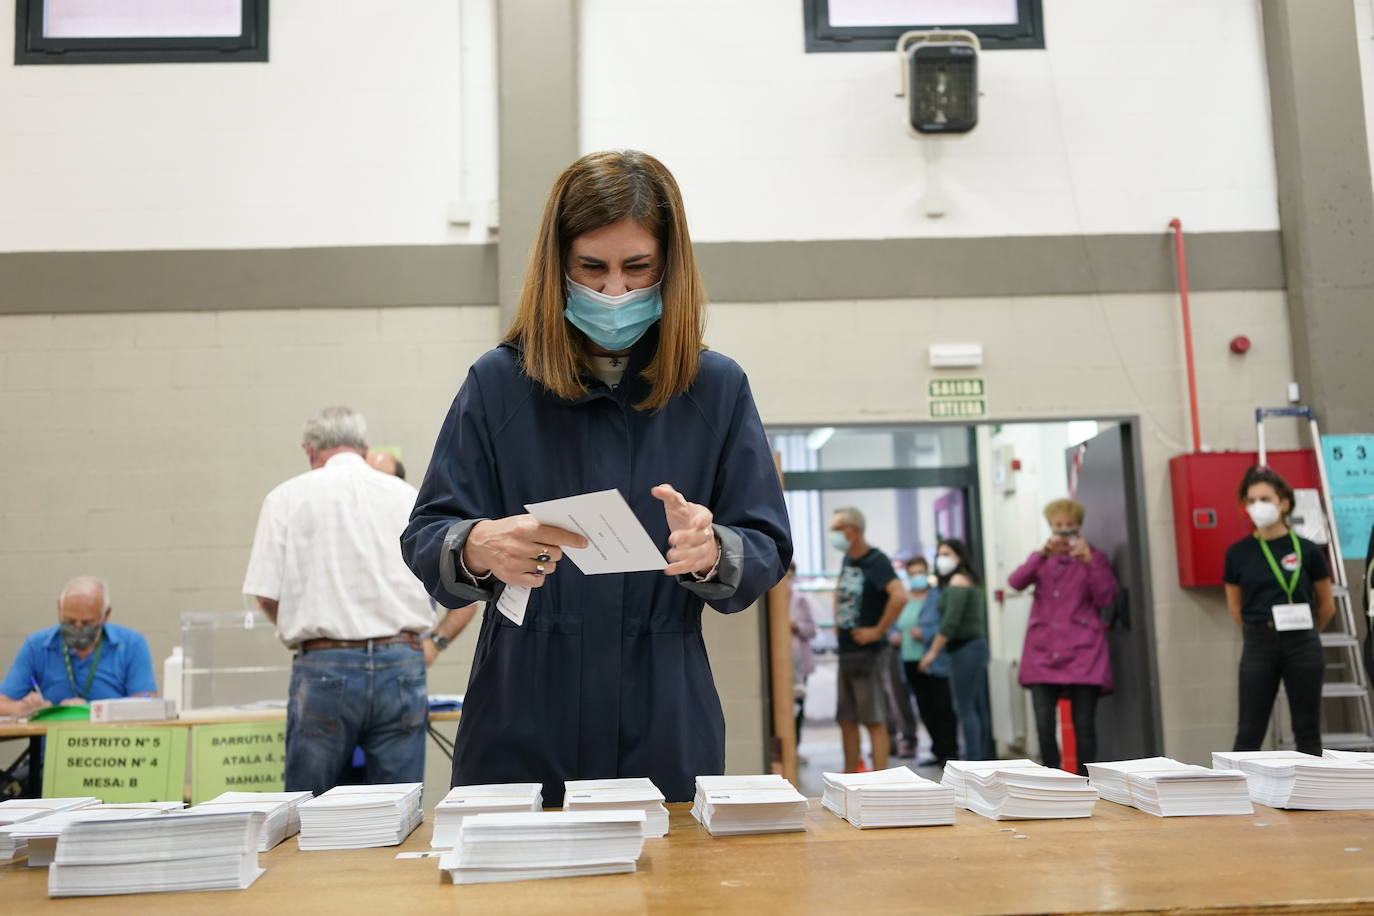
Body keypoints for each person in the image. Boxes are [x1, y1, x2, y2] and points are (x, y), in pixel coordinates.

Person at [400, 150, 792, 806]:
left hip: (662, 711)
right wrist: (477, 545)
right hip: (522, 712)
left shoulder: (715, 389)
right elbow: (428, 534)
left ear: (671, 266)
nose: (615, 292)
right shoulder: (499, 386)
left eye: (638, 268)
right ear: (558, 267)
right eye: (592, 268)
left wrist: (714, 549)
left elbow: (767, 544)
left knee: (667, 898)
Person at [243, 406, 473, 796]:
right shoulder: (410, 497)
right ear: (365, 448)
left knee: (308, 809)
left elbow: (265, 593)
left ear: (310, 450)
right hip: (402, 663)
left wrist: (305, 625)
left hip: (324, 665)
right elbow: (458, 583)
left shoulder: (285, 498)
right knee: (397, 808)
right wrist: (434, 643)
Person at [1224, 465, 1334, 757]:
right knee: (1249, 731)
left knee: (1307, 730)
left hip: (1303, 641)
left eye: (1265, 499)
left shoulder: (1308, 550)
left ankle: (1309, 797)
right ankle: (1235, 798)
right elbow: (1235, 607)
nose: (1257, 506)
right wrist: (1260, 630)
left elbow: (1326, 605)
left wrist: (1304, 630)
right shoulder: (1238, 553)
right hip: (1259, 641)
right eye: (1251, 500)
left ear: (1283, 503)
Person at [1008, 498, 1118, 773]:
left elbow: (1106, 597)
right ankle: (1051, 778)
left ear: (1079, 527)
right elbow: (1016, 582)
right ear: (1050, 528)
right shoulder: (1042, 559)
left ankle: (1086, 782)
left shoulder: (1094, 557)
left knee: (1084, 725)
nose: (1064, 531)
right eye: (1059, 526)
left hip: (1084, 653)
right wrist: (1040, 555)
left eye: (1070, 526)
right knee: (1044, 723)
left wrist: (1090, 561)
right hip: (1042, 653)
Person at [0, 577, 157, 716]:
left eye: (87, 623)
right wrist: (22, 708)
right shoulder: (37, 646)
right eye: (69, 621)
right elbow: (3, 703)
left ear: (106, 615)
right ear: (59, 610)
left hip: (112, 744)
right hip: (53, 745)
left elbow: (147, 704)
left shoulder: (130, 644)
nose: (77, 628)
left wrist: (91, 710)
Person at [829, 507, 907, 773]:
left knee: (873, 719)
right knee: (846, 719)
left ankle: (880, 779)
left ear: (854, 530)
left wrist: (877, 630)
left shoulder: (877, 561)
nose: (834, 535)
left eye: (838, 529)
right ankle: (850, 777)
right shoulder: (849, 559)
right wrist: (838, 623)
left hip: (870, 652)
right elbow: (841, 592)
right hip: (847, 650)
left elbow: (899, 595)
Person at [920, 538, 991, 760]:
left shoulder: (958, 582)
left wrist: (931, 653)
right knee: (976, 708)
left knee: (966, 708)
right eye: (939, 554)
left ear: (960, 556)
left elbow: (950, 623)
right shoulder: (965, 580)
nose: (942, 559)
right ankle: (981, 760)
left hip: (966, 650)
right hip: (973, 649)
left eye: (947, 553)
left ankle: (973, 764)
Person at [896, 556, 958, 767]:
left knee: (942, 706)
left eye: (920, 572)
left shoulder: (937, 598)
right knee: (924, 708)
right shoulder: (904, 599)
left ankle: (950, 751)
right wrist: (894, 635)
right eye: (912, 573)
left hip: (933, 660)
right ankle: (937, 750)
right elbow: (895, 625)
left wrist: (926, 633)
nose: (916, 577)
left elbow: (945, 626)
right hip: (908, 659)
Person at [786, 563, 817, 748]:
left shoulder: (800, 599)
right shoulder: (771, 600)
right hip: (780, 664)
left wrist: (796, 627)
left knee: (798, 705)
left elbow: (811, 630)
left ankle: (794, 748)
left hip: (799, 662)